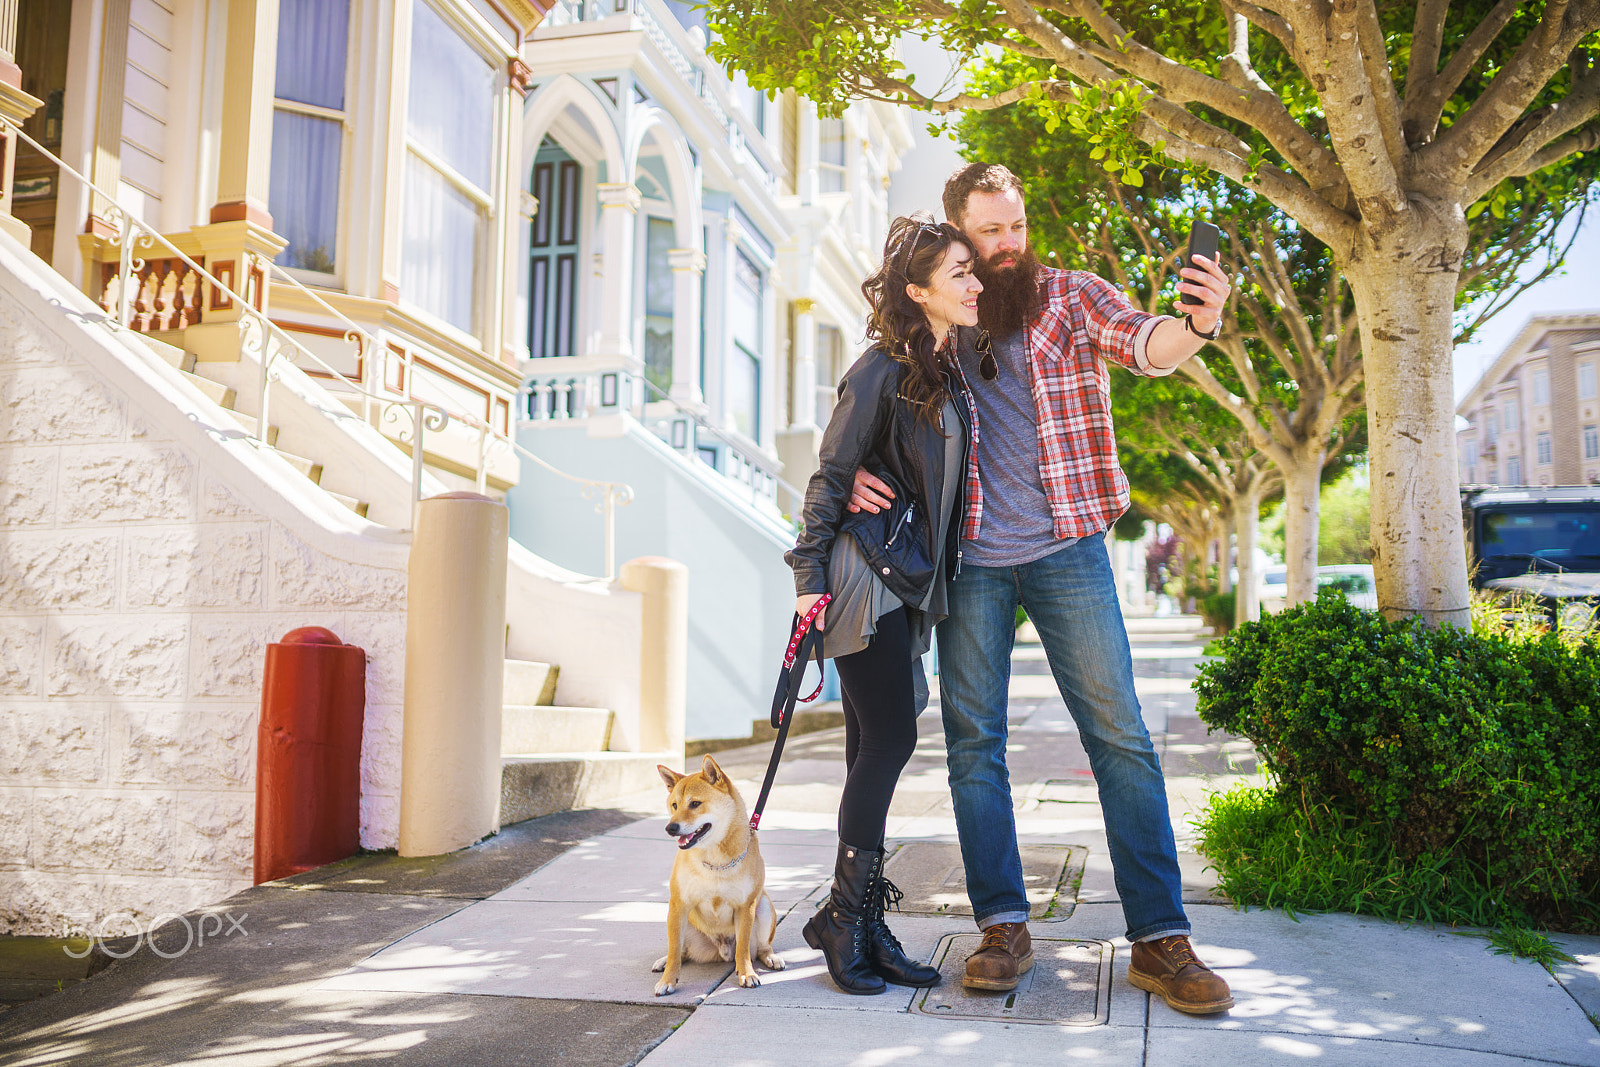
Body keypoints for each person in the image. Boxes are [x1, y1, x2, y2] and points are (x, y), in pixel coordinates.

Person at [849, 163, 1236, 1014]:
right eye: (989, 232)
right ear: (959, 236)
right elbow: (872, 410)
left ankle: (1161, 939)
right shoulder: (940, 319)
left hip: (1070, 547)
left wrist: (1198, 322)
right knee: (972, 746)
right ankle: (1002, 923)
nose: (1009, 245)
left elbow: (1146, 344)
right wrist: (850, 481)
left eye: (1016, 225)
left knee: (1121, 737)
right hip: (972, 562)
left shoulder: (1067, 296)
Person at [785, 214, 980, 996]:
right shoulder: (880, 368)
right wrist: (807, 579)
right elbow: (831, 475)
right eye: (958, 272)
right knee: (891, 737)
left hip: (902, 580)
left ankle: (860, 925)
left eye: (972, 269)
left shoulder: (944, 369)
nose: (972, 283)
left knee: (870, 744)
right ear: (916, 290)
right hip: (865, 576)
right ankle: (842, 916)